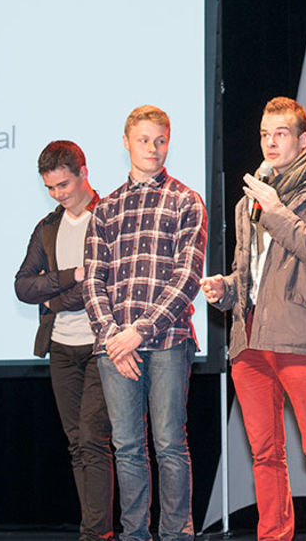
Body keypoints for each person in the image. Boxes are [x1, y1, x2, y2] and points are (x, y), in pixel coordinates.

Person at [200, 96, 306, 541]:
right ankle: (273, 535)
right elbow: (252, 273)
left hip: (301, 336)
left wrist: (277, 211)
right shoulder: (252, 198)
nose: (270, 142)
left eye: (281, 133)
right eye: (265, 134)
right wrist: (225, 289)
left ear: (303, 140)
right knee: (265, 453)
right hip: (250, 340)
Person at [84, 105, 207, 541]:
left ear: (168, 143)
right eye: (143, 140)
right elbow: (93, 279)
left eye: (160, 140)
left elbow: (187, 276)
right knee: (127, 448)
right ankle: (134, 534)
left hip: (167, 339)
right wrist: (113, 335)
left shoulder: (186, 200)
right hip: (115, 345)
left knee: (170, 442)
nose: (152, 149)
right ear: (126, 142)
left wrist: (140, 330)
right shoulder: (107, 209)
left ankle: (176, 534)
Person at [14, 140, 114, 541]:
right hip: (60, 347)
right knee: (77, 443)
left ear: (83, 172)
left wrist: (53, 296)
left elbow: (105, 282)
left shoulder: (108, 217)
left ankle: (96, 534)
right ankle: (95, 530)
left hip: (100, 344)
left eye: (64, 185)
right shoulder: (47, 227)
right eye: (51, 187)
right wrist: (70, 276)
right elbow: (23, 286)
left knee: (94, 439)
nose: (58, 194)